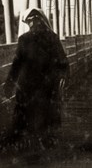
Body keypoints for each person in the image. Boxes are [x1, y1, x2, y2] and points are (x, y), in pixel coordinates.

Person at [4, 8, 69, 146]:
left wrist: (9, 83)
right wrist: (64, 76)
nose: (33, 25)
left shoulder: (24, 39)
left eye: (31, 22)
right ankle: (45, 141)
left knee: (24, 112)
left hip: (28, 84)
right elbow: (63, 60)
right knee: (48, 112)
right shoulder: (52, 37)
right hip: (47, 83)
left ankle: (23, 142)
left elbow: (17, 64)